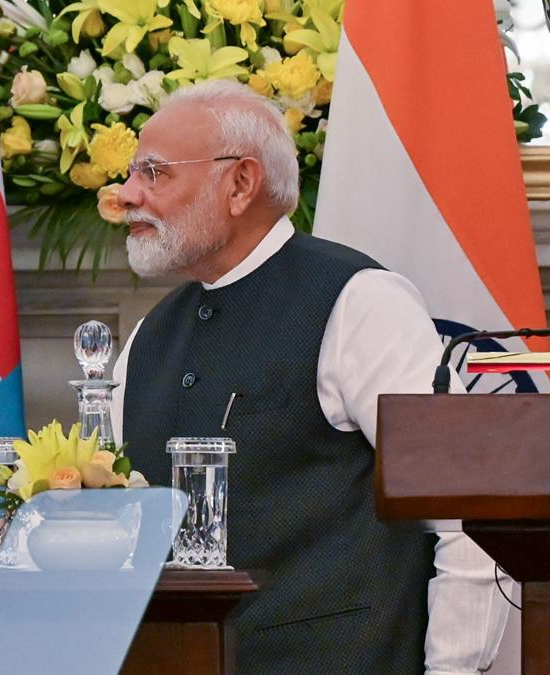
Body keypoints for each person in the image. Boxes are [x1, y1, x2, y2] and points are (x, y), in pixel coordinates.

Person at [102, 79, 511, 674]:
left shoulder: (359, 301)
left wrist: (453, 672)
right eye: (132, 173)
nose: (126, 195)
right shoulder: (148, 336)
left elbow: (467, 515)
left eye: (154, 172)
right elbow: (102, 519)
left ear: (240, 183)